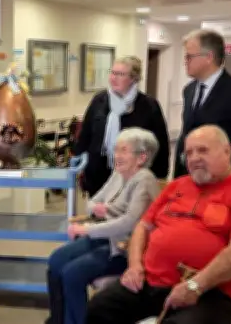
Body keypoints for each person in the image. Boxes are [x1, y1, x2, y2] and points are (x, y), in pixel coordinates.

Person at [85, 125, 231, 324]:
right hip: (150, 282)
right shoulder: (177, 185)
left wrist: (195, 286)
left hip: (210, 292)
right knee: (99, 308)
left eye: (202, 150)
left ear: (227, 151)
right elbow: (143, 226)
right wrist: (134, 266)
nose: (194, 158)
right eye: (189, 152)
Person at [46, 128, 161, 324]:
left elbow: (128, 223)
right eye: (116, 150)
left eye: (123, 150)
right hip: (104, 237)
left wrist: (90, 226)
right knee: (55, 261)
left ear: (142, 157)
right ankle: (59, 320)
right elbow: (93, 201)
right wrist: (103, 210)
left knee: (72, 274)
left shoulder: (145, 180)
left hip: (124, 248)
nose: (117, 156)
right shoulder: (118, 173)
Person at [73, 56, 170, 196]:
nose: (114, 78)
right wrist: (79, 159)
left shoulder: (148, 106)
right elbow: (85, 135)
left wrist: (160, 176)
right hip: (99, 174)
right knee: (98, 213)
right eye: (113, 73)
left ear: (133, 78)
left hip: (134, 176)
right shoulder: (99, 101)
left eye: (120, 74)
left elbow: (160, 144)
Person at [174, 30, 231, 178]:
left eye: (189, 56)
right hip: (188, 178)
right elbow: (186, 133)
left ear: (209, 57)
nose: (185, 61)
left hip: (221, 181)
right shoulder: (189, 91)